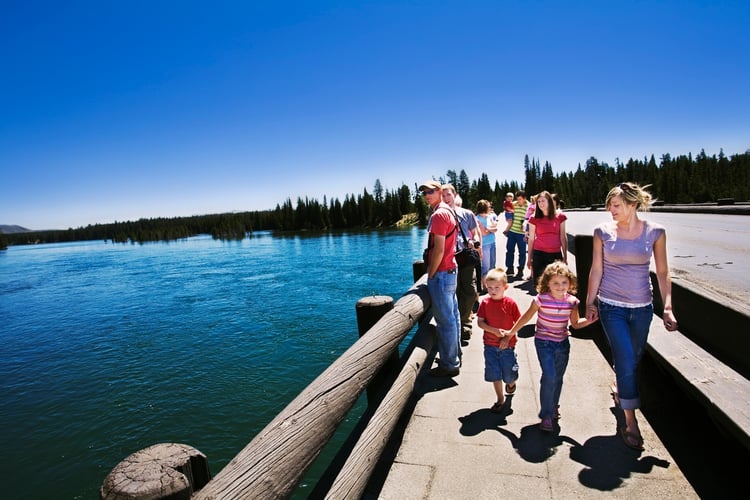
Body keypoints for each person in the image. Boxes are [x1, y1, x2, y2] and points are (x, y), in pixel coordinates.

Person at [585, 182, 678, 450]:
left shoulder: (655, 232)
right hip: (611, 306)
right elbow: (596, 270)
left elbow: (662, 272)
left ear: (633, 204)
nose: (610, 210)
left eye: (616, 205)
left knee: (633, 357)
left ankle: (621, 386)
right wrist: (590, 303)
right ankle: (630, 420)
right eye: (609, 206)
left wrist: (668, 306)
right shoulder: (602, 232)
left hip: (642, 307)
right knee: (625, 358)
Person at [506, 261, 593, 432]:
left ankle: (554, 405)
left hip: (562, 344)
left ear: (570, 283)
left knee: (558, 377)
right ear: (547, 284)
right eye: (556, 283)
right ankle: (546, 415)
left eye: (564, 282)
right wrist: (511, 332)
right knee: (550, 376)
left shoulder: (572, 302)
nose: (560, 287)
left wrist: (590, 320)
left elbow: (575, 324)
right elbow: (526, 317)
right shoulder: (540, 300)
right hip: (544, 343)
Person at [420, 179, 462, 377]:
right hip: (451, 270)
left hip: (442, 273)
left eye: (431, 191)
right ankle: (454, 354)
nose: (427, 195)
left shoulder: (438, 215)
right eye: (424, 193)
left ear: (440, 191)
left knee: (445, 320)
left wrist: (432, 273)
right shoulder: (449, 210)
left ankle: (449, 364)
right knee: (453, 315)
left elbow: (439, 249)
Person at [476, 269, 521, 413]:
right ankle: (500, 399)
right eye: (489, 287)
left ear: (505, 287)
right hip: (490, 345)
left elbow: (518, 322)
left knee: (508, 375)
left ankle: (511, 382)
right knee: (495, 374)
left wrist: (508, 337)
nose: (493, 291)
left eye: (497, 287)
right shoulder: (485, 303)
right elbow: (480, 323)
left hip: (508, 346)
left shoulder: (510, 303)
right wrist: (494, 331)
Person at [442, 185, 482, 342]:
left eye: (448, 194)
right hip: (448, 258)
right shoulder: (440, 214)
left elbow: (476, 231)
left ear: (454, 195)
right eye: (443, 195)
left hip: (465, 256)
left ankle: (465, 322)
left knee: (470, 290)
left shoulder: (466, 214)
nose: (446, 198)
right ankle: (458, 325)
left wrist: (476, 242)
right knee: (454, 290)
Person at [527, 191, 568, 288]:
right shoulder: (533, 218)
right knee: (540, 286)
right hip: (539, 255)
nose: (540, 204)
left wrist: (565, 256)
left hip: (555, 255)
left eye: (543, 201)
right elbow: (531, 239)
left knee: (556, 285)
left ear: (549, 201)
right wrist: (529, 259)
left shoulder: (560, 216)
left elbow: (563, 236)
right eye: (539, 201)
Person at [504, 190, 529, 278]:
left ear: (525, 199)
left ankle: (521, 269)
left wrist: (526, 224)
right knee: (509, 251)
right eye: (517, 199)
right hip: (512, 232)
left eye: (520, 199)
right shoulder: (513, 204)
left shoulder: (529, 206)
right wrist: (507, 219)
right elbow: (507, 212)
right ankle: (510, 268)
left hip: (522, 234)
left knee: (522, 252)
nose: (518, 201)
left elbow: (531, 218)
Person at [475, 199, 498, 291]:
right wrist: (489, 230)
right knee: (486, 266)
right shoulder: (477, 219)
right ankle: (484, 285)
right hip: (484, 245)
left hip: (492, 242)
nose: (490, 208)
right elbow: (483, 233)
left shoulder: (489, 217)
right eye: (488, 206)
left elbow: (495, 229)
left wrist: (488, 230)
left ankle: (491, 283)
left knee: (492, 264)